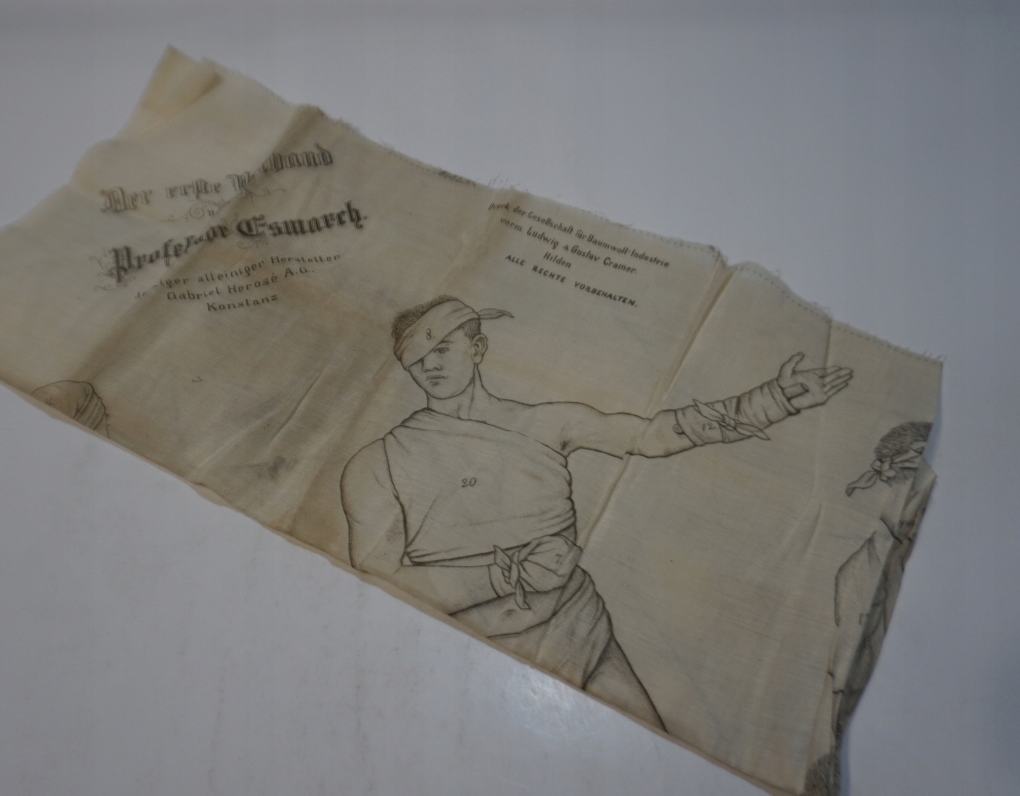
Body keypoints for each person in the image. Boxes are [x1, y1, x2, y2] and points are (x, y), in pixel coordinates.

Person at [341, 296, 851, 729]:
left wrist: (768, 402)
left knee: (654, 749)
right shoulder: (377, 462)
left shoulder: (549, 423)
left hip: (578, 623)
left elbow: (650, 435)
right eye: (417, 358)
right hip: (471, 644)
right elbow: (376, 576)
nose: (430, 365)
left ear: (477, 349)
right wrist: (502, 576)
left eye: (442, 348)